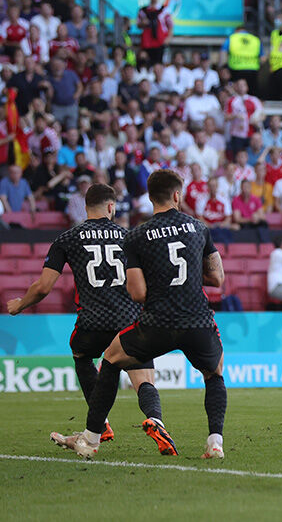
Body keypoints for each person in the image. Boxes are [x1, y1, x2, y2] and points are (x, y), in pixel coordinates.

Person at [51, 170, 227, 459]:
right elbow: (218, 278)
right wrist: (184, 278)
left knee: (110, 358)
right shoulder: (199, 228)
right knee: (215, 372)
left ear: (149, 197)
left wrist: (160, 279)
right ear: (176, 195)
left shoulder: (137, 236)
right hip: (197, 319)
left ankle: (92, 439)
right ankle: (215, 443)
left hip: (157, 321)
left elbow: (136, 293)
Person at [9, 184, 166, 452]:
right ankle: (155, 419)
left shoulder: (68, 238)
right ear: (111, 207)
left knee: (82, 355)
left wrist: (20, 304)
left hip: (92, 324)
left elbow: (44, 286)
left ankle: (101, 423)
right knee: (142, 375)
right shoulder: (129, 236)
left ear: (86, 207)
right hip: (128, 321)